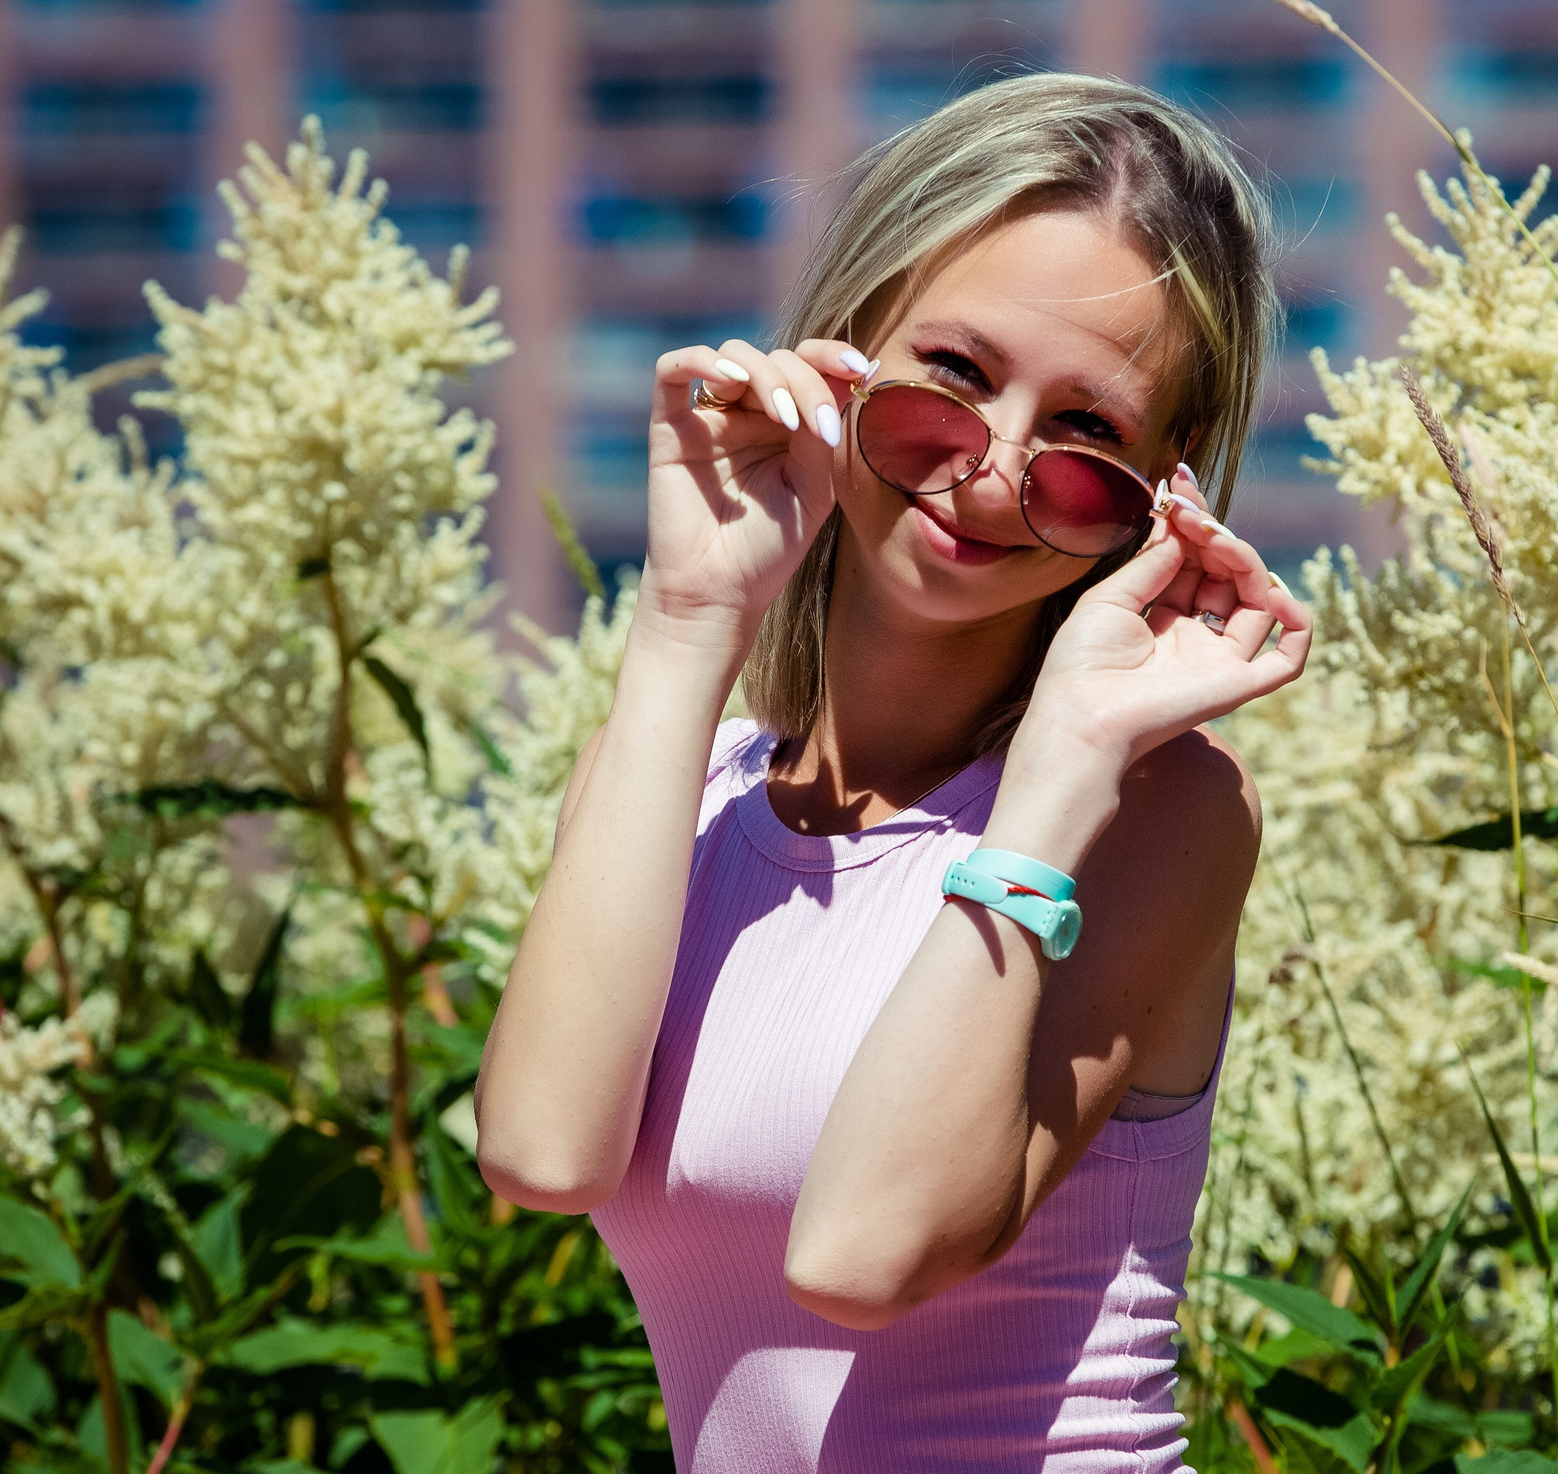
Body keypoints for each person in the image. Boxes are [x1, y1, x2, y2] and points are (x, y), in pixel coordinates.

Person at [473, 73, 1312, 1471]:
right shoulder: (680, 791)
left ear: (1165, 496)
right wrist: (689, 624)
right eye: (957, 378)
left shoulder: (1157, 811)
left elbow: (868, 1249)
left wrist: (1067, 759)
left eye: (1087, 439)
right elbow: (543, 1154)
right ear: (841, 348)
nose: (991, 471)